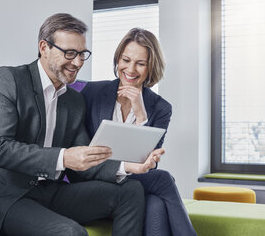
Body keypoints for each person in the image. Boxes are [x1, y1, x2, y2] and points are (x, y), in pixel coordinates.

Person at [0, 13, 163, 236]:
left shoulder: (74, 100)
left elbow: (86, 157)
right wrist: (63, 157)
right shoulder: (9, 80)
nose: (78, 62)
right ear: (44, 47)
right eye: (70, 53)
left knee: (130, 191)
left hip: (46, 191)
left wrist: (129, 167)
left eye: (82, 54)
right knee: (70, 232)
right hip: (1, 195)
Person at [81, 28, 197, 236]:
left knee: (155, 204)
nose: (131, 69)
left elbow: (149, 164)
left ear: (151, 67)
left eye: (140, 63)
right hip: (96, 180)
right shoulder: (93, 93)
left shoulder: (161, 108)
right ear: (117, 60)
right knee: (163, 180)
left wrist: (141, 116)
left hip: (134, 182)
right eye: (126, 60)